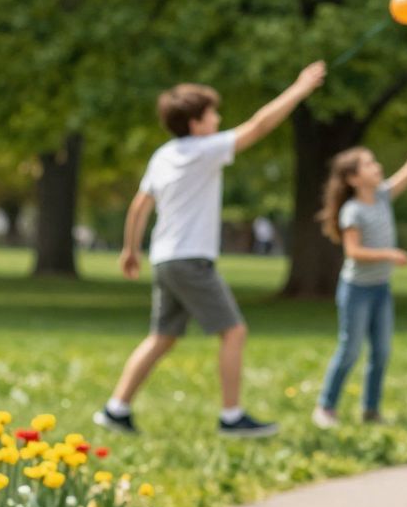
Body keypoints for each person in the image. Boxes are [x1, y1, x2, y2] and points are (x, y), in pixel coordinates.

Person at [94, 62, 326, 438]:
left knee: (162, 337)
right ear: (195, 123)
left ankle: (115, 409)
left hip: (165, 258)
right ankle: (231, 417)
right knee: (234, 332)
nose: (218, 119)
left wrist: (130, 250)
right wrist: (300, 89)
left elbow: (139, 205)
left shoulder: (163, 155)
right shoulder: (204, 150)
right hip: (190, 260)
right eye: (212, 113)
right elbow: (260, 125)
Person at [312, 116, 407, 429]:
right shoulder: (353, 211)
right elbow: (353, 252)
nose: (377, 167)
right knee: (350, 349)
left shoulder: (383, 196)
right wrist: (389, 254)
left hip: (380, 288)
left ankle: (370, 410)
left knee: (382, 352)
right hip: (356, 290)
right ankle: (326, 408)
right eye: (369, 164)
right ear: (353, 178)